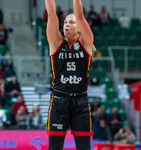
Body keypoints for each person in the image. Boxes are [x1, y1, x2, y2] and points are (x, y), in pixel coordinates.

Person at [45, 0, 94, 149]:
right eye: (65, 22)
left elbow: (79, 15)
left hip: (80, 102)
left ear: (79, 28)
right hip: (59, 100)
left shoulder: (86, 43)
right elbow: (52, 16)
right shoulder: (56, 43)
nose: (66, 24)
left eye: (71, 22)